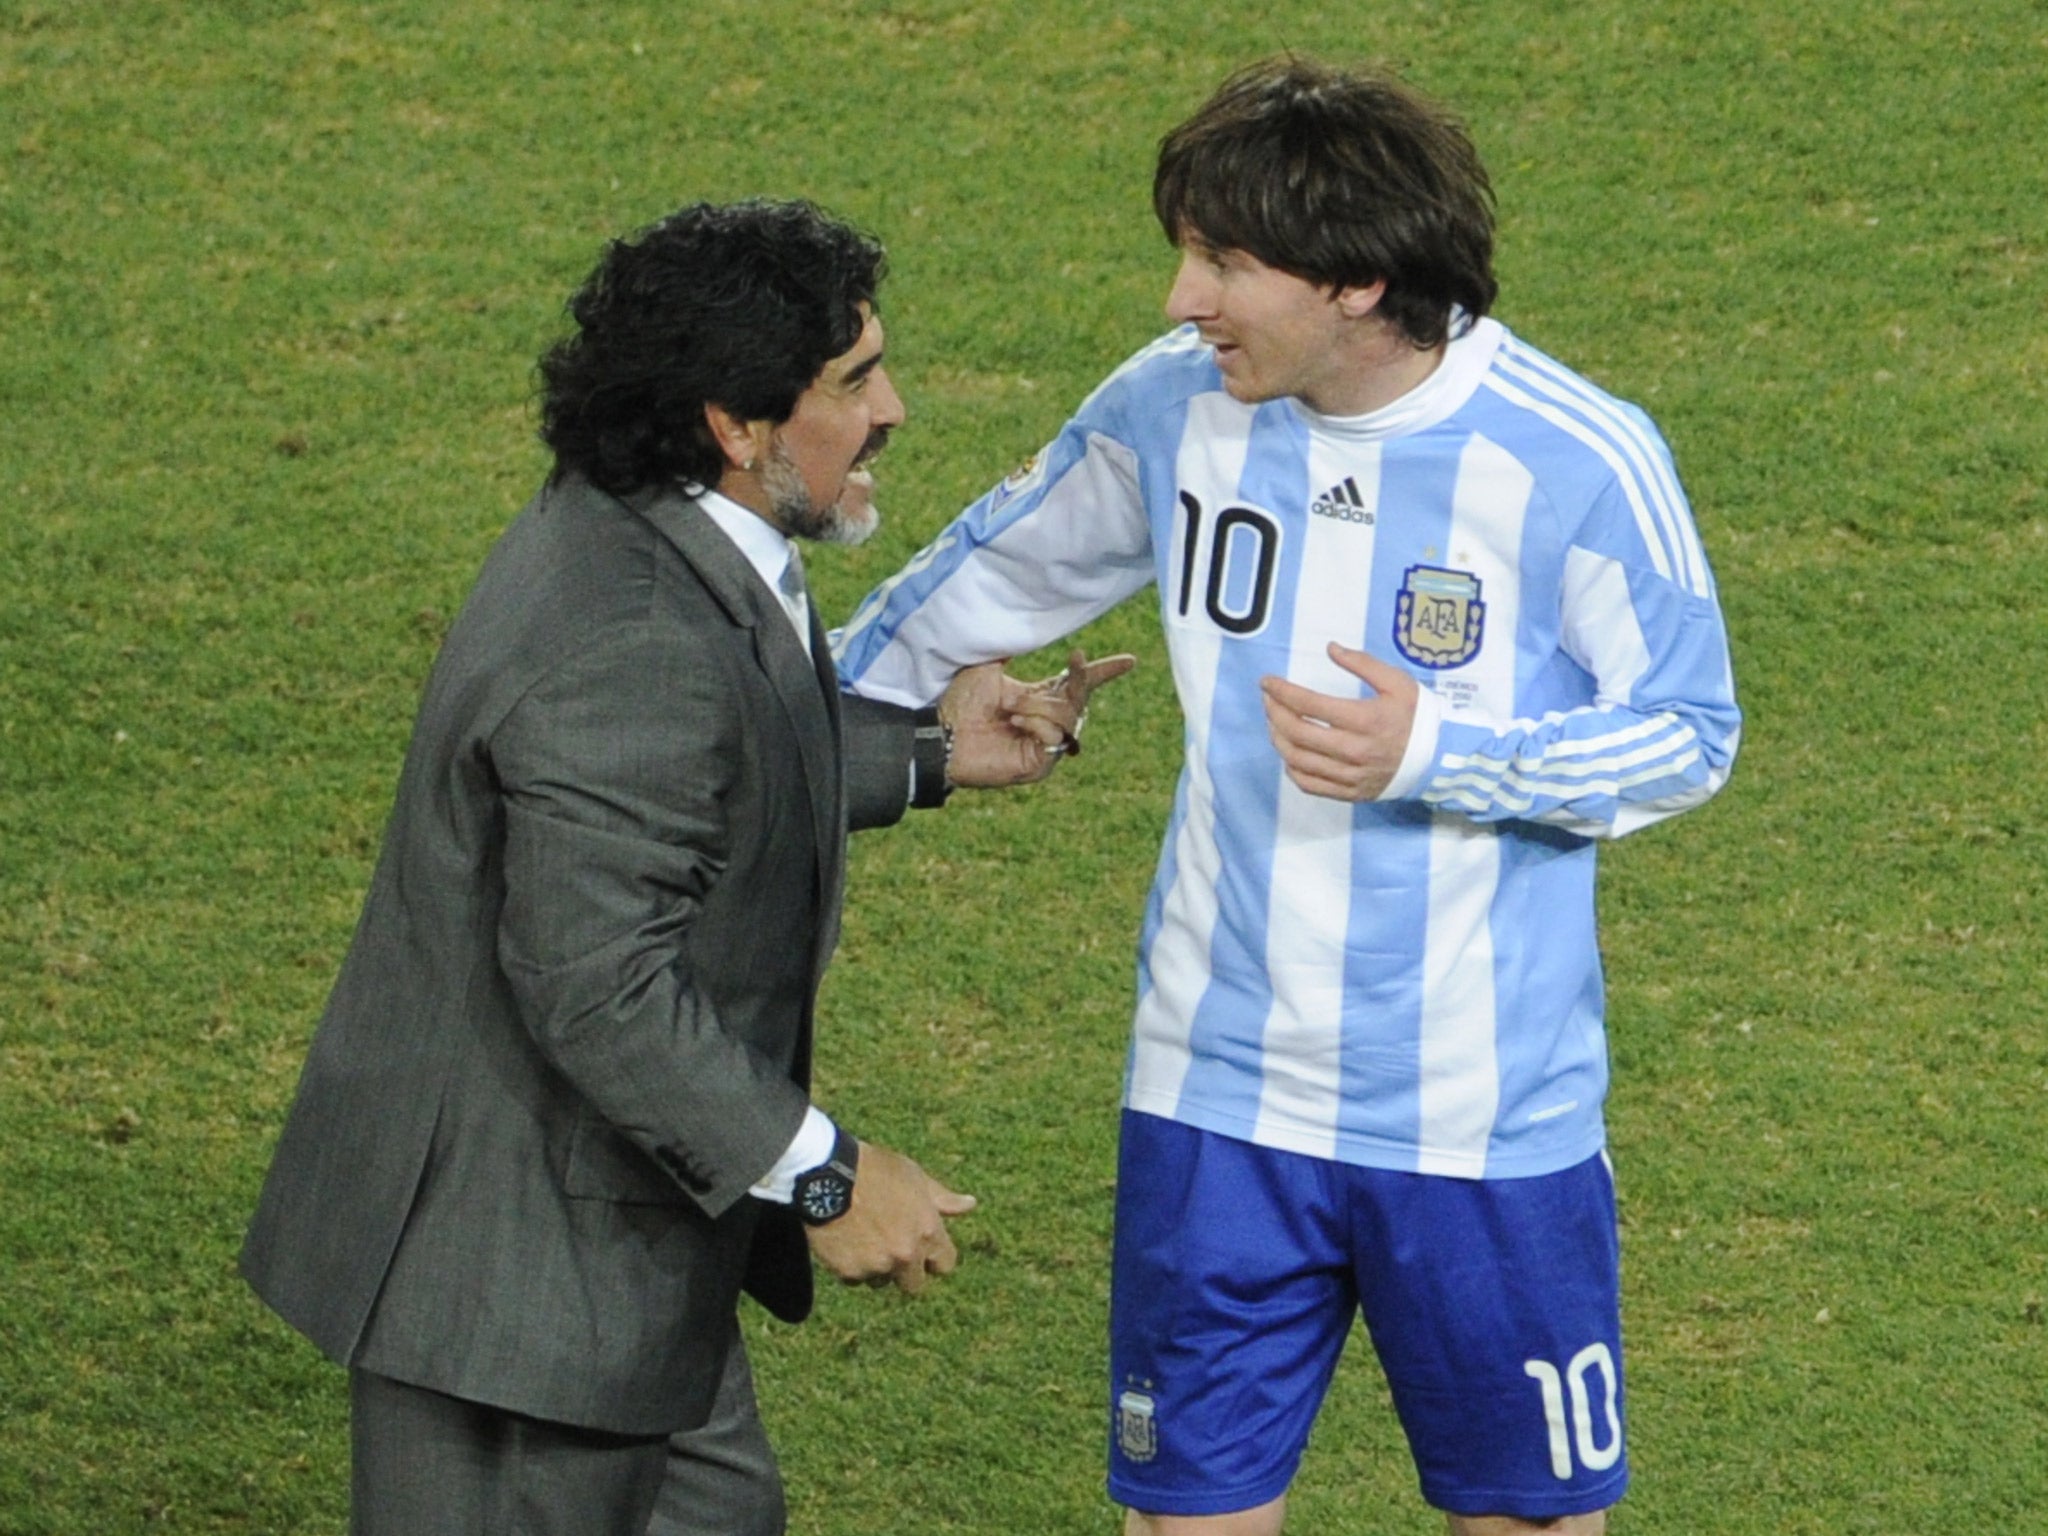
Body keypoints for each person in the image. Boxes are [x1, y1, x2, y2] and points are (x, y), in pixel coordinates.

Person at [834, 57, 1741, 1536]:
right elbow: (968, 589)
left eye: (1225, 263)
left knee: (1520, 1520)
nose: (1184, 300)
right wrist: (771, 724)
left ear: (1362, 283)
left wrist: (1438, 757)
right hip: (1216, 1094)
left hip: (1479, 1122)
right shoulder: (1171, 409)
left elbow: (1690, 735)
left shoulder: (1576, 459)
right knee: (1186, 1519)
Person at [240, 198, 1125, 1536]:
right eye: (852, 380)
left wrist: (931, 754)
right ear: (736, 423)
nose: (892, 407)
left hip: (624, 1256)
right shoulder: (630, 632)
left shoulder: (657, 529)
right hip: (515, 1293)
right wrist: (822, 1172)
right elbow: (596, 981)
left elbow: (713, 744)